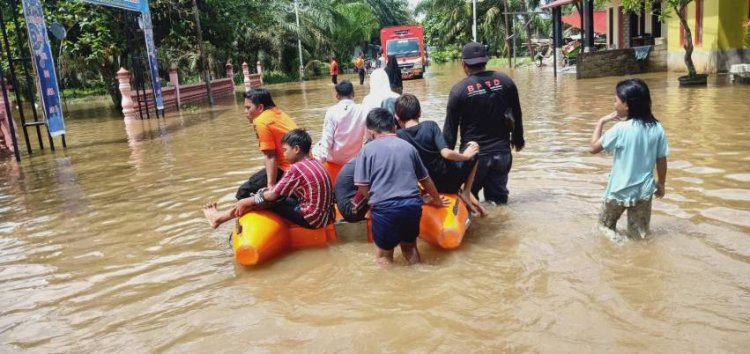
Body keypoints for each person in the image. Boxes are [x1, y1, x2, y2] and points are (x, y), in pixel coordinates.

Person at [354, 108, 446, 266]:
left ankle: (390, 290)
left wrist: (375, 200)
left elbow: (362, 187)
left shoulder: (367, 151)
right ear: (394, 127)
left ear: (370, 132)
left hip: (385, 209)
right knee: (410, 249)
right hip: (411, 206)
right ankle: (419, 279)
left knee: (384, 256)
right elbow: (426, 180)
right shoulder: (408, 147)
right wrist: (437, 200)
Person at [443, 41, 525, 205]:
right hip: (502, 153)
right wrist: (518, 139)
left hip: (473, 156)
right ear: (485, 61)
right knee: (499, 202)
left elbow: (450, 131)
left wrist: (447, 160)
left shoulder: (459, 91)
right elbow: (517, 113)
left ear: (464, 65)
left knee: (469, 201)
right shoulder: (506, 82)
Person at [203, 129, 334, 229]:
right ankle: (220, 217)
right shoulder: (314, 162)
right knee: (266, 195)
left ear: (296, 149)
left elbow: (272, 196)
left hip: (313, 220)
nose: (283, 154)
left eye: (285, 150)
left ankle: (218, 218)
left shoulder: (297, 168)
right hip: (327, 218)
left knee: (261, 200)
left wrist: (246, 201)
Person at [589, 78, 669, 241]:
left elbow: (593, 148)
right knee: (639, 235)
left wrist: (601, 122)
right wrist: (661, 184)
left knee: (604, 226)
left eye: (616, 100)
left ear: (627, 105)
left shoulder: (620, 129)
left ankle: (620, 244)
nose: (614, 104)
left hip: (618, 191)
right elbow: (661, 160)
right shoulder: (657, 128)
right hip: (643, 192)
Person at [394, 94, 486, 216]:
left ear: (397, 117)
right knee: (474, 146)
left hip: (430, 186)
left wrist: (421, 194)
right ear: (420, 112)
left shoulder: (398, 136)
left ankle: (468, 198)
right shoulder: (430, 126)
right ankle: (466, 192)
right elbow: (446, 153)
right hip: (451, 182)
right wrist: (466, 156)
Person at [230, 89, 297, 203]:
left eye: (248, 108)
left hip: (288, 170)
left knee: (243, 192)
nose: (245, 111)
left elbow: (271, 156)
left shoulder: (261, 121)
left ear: (260, 108)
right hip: (299, 167)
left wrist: (270, 186)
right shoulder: (278, 113)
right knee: (256, 179)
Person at [312, 80, 367, 183]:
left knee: (316, 147)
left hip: (335, 160)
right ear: (353, 94)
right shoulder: (363, 109)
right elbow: (368, 137)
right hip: (354, 160)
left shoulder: (332, 111)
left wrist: (317, 162)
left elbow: (327, 139)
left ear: (337, 95)